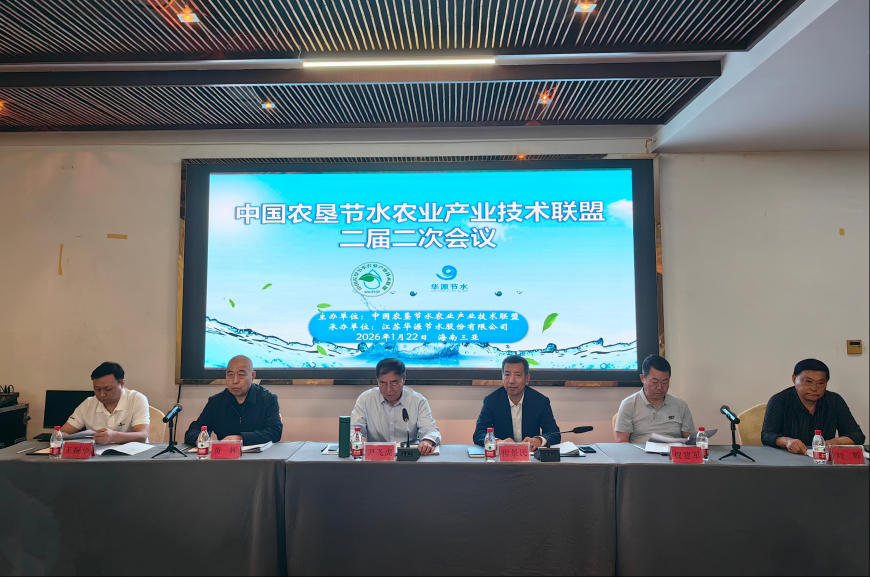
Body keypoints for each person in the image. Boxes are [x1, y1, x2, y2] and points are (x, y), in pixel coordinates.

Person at [762, 358, 865, 453]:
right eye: (808, 382)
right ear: (794, 379)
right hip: (787, 459)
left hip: (823, 458)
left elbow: (857, 436)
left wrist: (835, 442)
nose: (814, 388)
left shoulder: (834, 401)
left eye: (820, 383)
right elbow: (767, 436)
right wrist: (787, 442)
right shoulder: (779, 400)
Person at [183, 355, 282, 446]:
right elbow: (193, 431)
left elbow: (275, 432)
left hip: (260, 457)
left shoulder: (267, 399)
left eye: (241, 374)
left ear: (252, 376)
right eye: (230, 375)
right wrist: (199, 439)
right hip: (225, 457)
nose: (235, 381)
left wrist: (241, 438)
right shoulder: (216, 402)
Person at [351, 358, 441, 455]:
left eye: (394, 383)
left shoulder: (418, 401)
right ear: (377, 381)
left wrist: (427, 441)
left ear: (403, 379)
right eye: (383, 383)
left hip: (407, 456)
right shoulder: (365, 399)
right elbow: (353, 429)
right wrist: (358, 440)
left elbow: (430, 429)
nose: (388, 390)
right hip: (375, 456)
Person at [472, 355, 560, 449]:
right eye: (507, 375)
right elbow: (479, 434)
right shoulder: (491, 401)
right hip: (502, 455)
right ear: (502, 377)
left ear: (527, 379)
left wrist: (539, 440)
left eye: (518, 375)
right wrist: (498, 442)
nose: (511, 381)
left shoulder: (540, 401)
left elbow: (554, 434)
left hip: (531, 456)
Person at [61, 361, 150, 445]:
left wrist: (114, 437)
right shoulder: (88, 404)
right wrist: (61, 435)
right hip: (98, 454)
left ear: (122, 384)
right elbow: (63, 431)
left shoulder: (136, 399)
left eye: (108, 389)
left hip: (131, 453)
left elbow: (142, 435)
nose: (102, 394)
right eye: (97, 389)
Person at [614, 354, 694, 444]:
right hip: (641, 452)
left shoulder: (681, 406)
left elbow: (690, 441)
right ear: (642, 378)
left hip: (673, 452)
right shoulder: (629, 404)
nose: (660, 387)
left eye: (664, 382)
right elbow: (622, 442)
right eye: (654, 382)